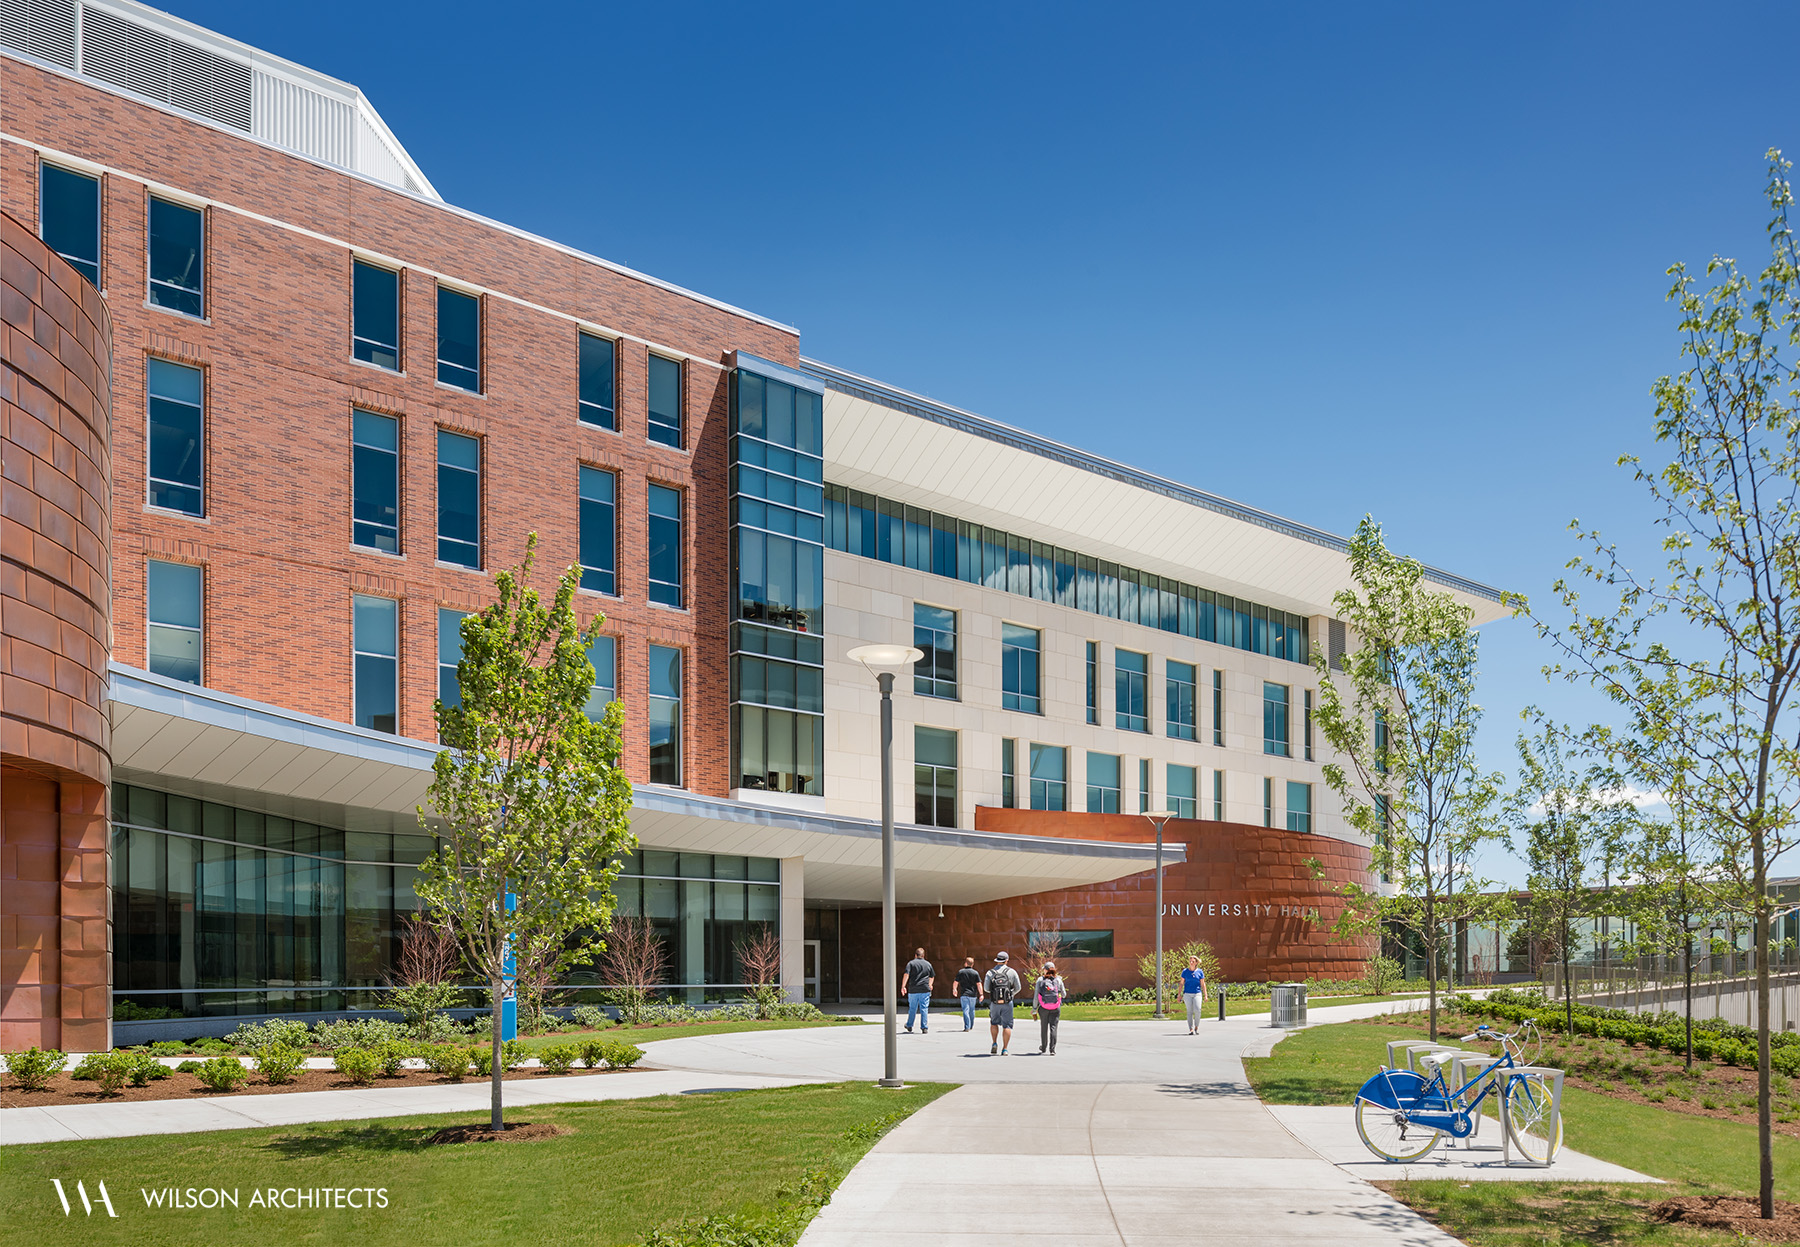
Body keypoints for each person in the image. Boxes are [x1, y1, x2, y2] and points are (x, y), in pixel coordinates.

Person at [984, 951, 1021, 1055]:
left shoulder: (990, 973)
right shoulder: (1012, 972)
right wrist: (1010, 994)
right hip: (1007, 1002)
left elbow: (986, 989)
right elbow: (1018, 988)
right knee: (1007, 1025)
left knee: (994, 1022)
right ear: (1006, 960)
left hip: (994, 1002)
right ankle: (1005, 1049)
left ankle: (994, 1043)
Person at [1034, 961, 1066, 1055]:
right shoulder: (1059, 980)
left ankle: (1043, 1047)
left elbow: (1036, 996)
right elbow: (1064, 994)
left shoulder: (1040, 980)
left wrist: (1034, 1008)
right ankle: (1052, 1049)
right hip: (1056, 1007)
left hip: (1043, 1007)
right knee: (1053, 1027)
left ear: (1045, 970)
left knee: (1044, 1027)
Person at [902, 947, 934, 1034]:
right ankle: (924, 1027)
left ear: (915, 955)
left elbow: (906, 974)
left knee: (912, 1008)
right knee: (924, 1008)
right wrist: (930, 985)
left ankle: (909, 1025)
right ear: (923, 955)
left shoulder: (911, 963)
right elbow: (932, 976)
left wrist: (903, 986)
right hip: (925, 989)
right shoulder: (928, 964)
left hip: (913, 989)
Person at [1181, 955, 1208, 1035]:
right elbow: (1181, 983)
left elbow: (1203, 984)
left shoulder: (1200, 972)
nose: (1191, 963)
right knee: (1189, 1011)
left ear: (1196, 963)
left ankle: (1196, 1026)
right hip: (1187, 994)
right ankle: (1191, 1029)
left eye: (1193, 961)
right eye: (1190, 961)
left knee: (1198, 1010)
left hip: (1197, 993)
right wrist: (1179, 994)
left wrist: (1205, 995)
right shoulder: (1185, 971)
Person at [954, 957, 982, 1031]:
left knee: (965, 1010)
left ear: (965, 963)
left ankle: (967, 1026)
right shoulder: (975, 973)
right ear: (972, 964)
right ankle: (971, 1025)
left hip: (964, 994)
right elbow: (979, 984)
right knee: (972, 1010)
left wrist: (954, 989)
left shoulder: (961, 972)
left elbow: (956, 982)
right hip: (973, 995)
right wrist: (981, 994)